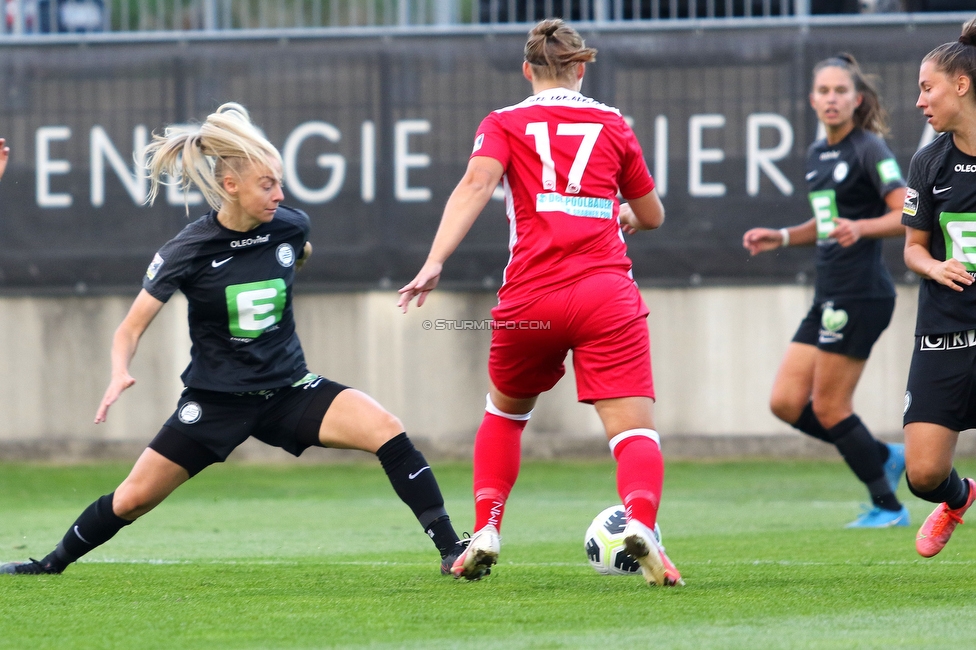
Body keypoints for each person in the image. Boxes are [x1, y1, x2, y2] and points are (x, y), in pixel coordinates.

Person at [1, 103, 464, 576]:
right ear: (230, 187)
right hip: (217, 402)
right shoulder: (188, 249)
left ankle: (453, 552)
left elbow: (297, 252)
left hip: (288, 391)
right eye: (268, 185)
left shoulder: (289, 225)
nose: (279, 195)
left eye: (280, 183)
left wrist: (295, 262)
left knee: (386, 429)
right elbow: (130, 327)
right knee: (133, 499)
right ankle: (48, 564)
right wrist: (120, 369)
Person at [398, 19, 681, 587]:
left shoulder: (503, 123)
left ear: (527, 70)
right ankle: (642, 523)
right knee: (633, 434)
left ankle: (486, 528)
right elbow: (651, 214)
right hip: (605, 294)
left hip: (532, 298)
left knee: (504, 415)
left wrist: (434, 262)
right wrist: (622, 214)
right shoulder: (613, 125)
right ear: (581, 68)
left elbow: (474, 186)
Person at [742, 54, 909, 528]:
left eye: (841, 91)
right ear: (812, 100)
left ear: (857, 100)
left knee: (831, 406)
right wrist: (783, 235)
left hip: (861, 293)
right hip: (829, 294)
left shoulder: (868, 148)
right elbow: (825, 220)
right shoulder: (818, 155)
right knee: (786, 402)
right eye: (824, 91)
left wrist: (863, 227)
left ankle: (888, 506)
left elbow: (904, 214)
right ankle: (881, 455)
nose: (832, 99)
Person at [900, 17, 976, 558]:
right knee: (923, 473)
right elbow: (912, 248)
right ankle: (959, 496)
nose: (921, 100)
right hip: (945, 328)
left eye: (928, 88)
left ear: (962, 85)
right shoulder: (929, 161)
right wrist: (934, 268)